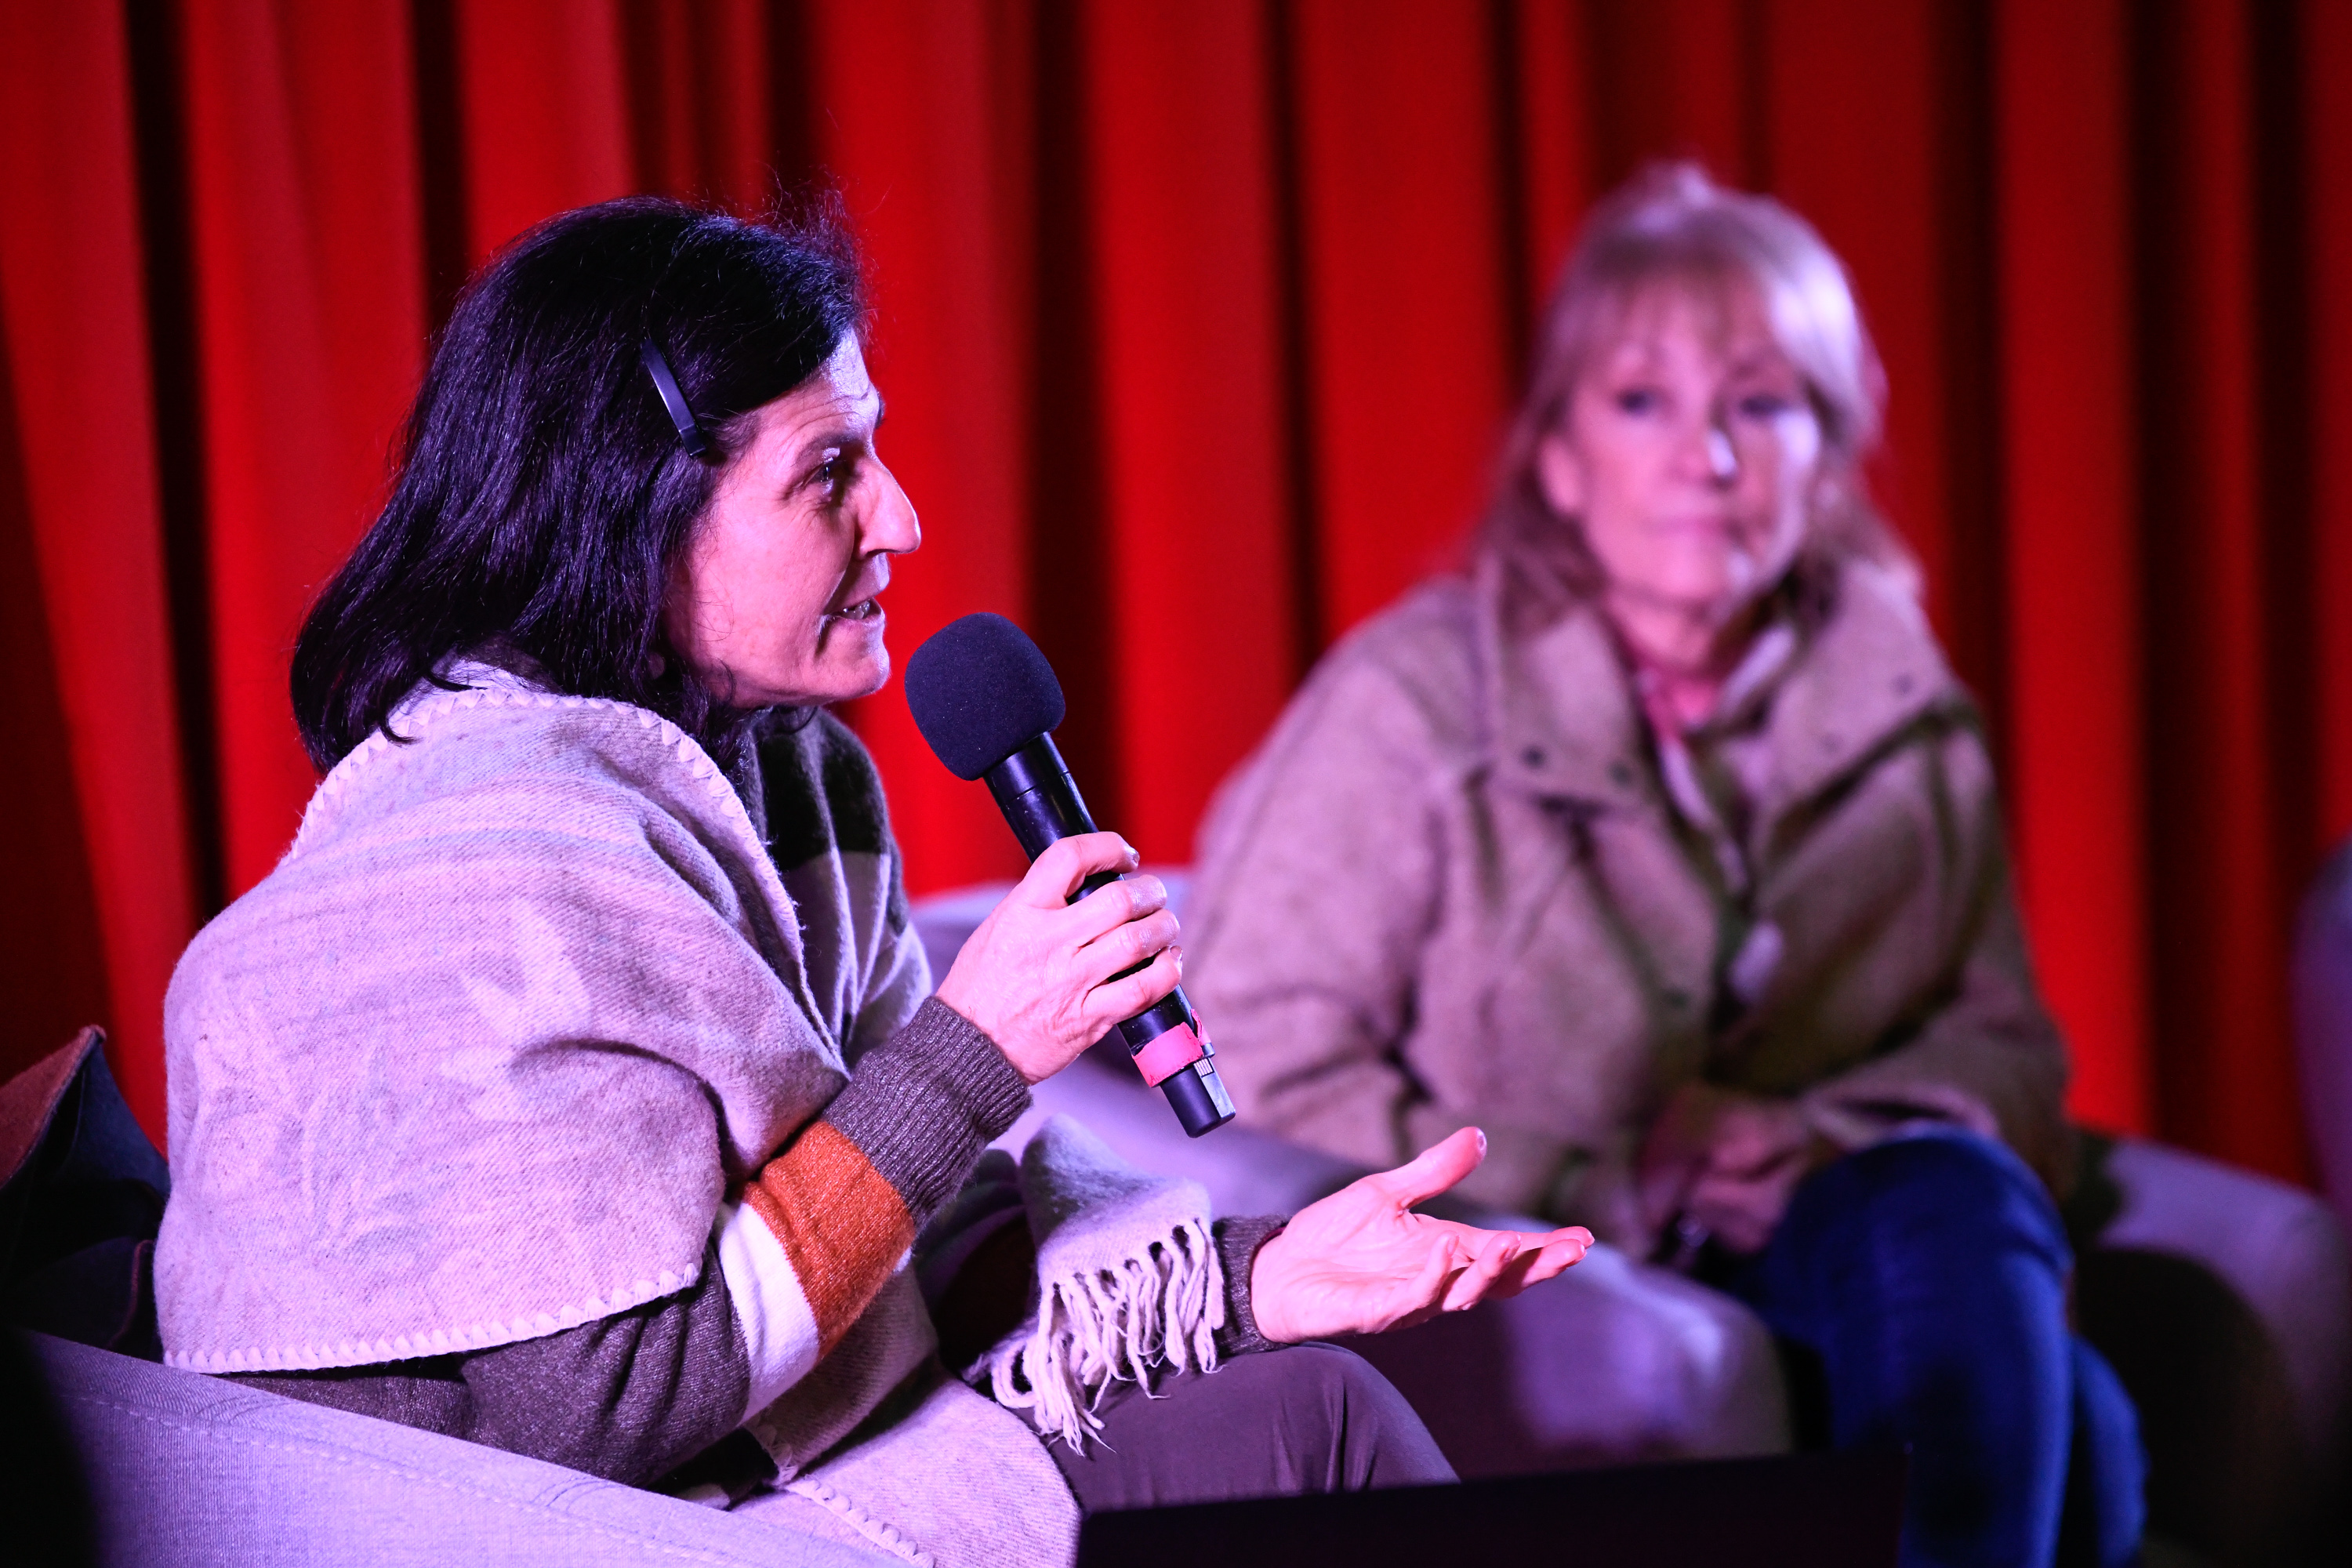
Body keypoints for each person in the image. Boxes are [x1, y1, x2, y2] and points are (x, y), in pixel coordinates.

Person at [151, 196, 1591, 1563]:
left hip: (763, 1460)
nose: (899, 520)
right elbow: (585, 1416)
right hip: (588, 1526)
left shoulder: (792, 776)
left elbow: (922, 1232)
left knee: (1310, 1401)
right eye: (829, 471)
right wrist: (973, 1053)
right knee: (1308, 1438)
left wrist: (1252, 1280)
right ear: (629, 513)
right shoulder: (470, 875)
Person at [1185, 165, 2143, 1567]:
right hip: (1560, 1248)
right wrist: (1618, 1176)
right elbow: (1252, 1061)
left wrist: (1819, 1140)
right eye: (1643, 403)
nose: (1706, 461)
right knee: (2088, 1426)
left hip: (1844, 1240)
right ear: (1561, 460)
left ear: (1829, 453)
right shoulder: (1420, 700)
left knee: (1948, 1209)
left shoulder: (1905, 715)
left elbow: (2005, 1058)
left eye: (1761, 406)